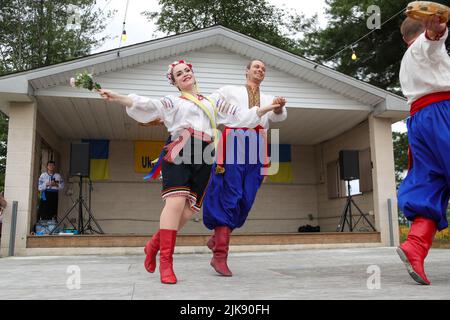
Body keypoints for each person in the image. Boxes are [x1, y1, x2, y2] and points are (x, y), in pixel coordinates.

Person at [97, 60, 282, 284]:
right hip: (180, 149)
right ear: (174, 82)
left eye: (187, 71)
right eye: (178, 74)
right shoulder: (173, 101)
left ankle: (153, 245)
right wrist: (117, 97)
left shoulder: (213, 101)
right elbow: (147, 104)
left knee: (187, 211)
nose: (184, 74)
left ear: (193, 74)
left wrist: (268, 108)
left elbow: (241, 116)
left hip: (205, 155)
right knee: (175, 204)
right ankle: (166, 263)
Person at [202, 59, 287, 276]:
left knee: (246, 197)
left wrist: (280, 107)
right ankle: (220, 255)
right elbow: (210, 102)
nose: (260, 70)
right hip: (234, 140)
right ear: (246, 71)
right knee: (229, 194)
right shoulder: (230, 90)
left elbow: (277, 118)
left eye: (263, 69)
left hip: (258, 143)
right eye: (256, 67)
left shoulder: (268, 98)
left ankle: (218, 237)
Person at [397, 15, 450, 285]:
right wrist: (436, 33)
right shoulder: (423, 47)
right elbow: (431, 44)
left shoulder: (407, 60)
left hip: (420, 122)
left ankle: (415, 246)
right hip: (443, 114)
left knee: (431, 185)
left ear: (404, 38)